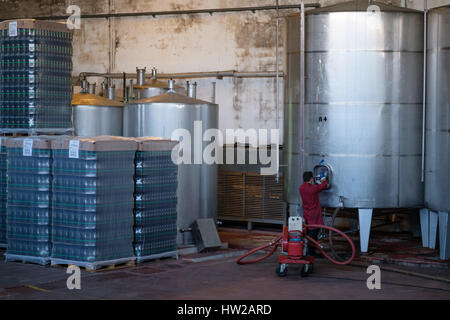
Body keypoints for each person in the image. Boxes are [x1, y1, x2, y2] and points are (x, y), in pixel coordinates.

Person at [299, 171, 328, 256]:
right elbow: (324, 185)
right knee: (313, 233)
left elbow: (314, 187)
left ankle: (309, 251)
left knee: (308, 232)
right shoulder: (313, 188)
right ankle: (311, 253)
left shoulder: (301, 187)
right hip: (314, 213)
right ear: (311, 179)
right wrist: (323, 179)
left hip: (306, 213)